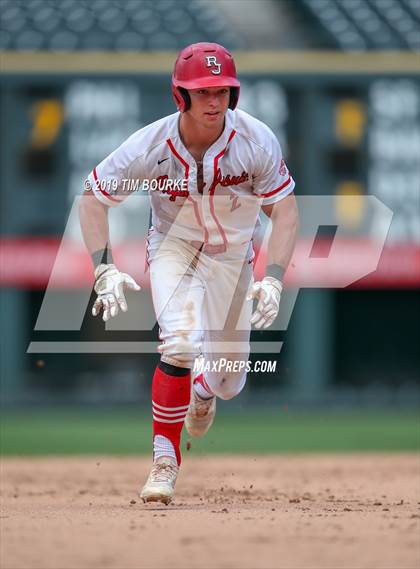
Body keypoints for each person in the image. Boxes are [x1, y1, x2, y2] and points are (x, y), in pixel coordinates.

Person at [79, 42, 298, 505]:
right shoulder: (151, 144)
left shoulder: (256, 140)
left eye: (222, 90)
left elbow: (286, 211)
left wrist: (274, 276)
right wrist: (103, 269)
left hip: (234, 258)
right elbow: (92, 198)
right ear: (181, 95)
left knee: (229, 381)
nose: (214, 101)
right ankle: (164, 460)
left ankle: (203, 389)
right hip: (173, 248)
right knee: (178, 342)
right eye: (203, 92)